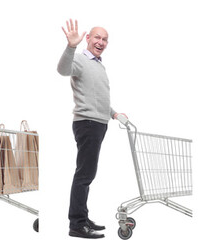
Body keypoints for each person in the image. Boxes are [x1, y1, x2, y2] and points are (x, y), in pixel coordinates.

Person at [58, 19, 126, 239]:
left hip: (98, 123)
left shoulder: (98, 64)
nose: (101, 42)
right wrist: (71, 46)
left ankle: (83, 217)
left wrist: (113, 113)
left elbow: (98, 97)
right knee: (84, 174)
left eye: (105, 39)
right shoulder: (79, 59)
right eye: (97, 37)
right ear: (88, 38)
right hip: (87, 123)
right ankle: (76, 224)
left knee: (88, 173)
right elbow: (62, 69)